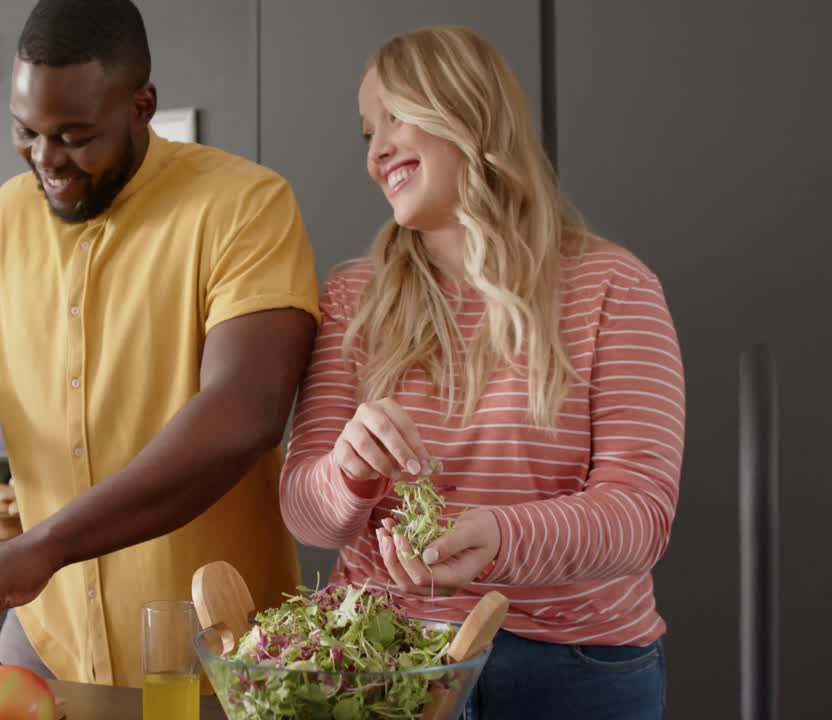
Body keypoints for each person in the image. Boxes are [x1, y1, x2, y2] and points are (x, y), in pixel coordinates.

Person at [0, 0, 320, 687]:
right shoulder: (4, 219)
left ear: (141, 105)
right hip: (48, 640)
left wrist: (45, 546)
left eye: (74, 136)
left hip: (220, 653)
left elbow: (245, 412)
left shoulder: (245, 205)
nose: (46, 159)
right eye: (26, 132)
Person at [279, 26, 684, 720]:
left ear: (465, 109)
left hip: (574, 668)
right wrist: (347, 472)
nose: (376, 153)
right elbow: (304, 512)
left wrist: (503, 537)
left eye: (395, 117)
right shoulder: (353, 297)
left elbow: (640, 514)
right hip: (387, 658)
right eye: (368, 132)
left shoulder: (614, 288)